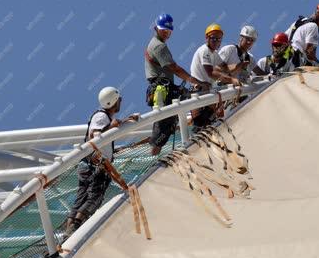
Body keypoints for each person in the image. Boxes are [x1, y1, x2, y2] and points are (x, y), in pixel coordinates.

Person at [64, 86, 139, 238]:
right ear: (114, 102)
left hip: (89, 164)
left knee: (82, 197)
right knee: (94, 196)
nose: (121, 102)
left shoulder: (104, 117)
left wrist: (124, 121)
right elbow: (95, 135)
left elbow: (103, 133)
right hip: (95, 166)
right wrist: (112, 125)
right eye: (119, 100)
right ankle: (75, 228)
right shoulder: (101, 116)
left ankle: (68, 231)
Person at [144, 13, 210, 155]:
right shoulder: (159, 46)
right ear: (156, 28)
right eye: (164, 30)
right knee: (163, 127)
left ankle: (199, 127)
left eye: (169, 31)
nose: (167, 33)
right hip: (163, 89)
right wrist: (194, 80)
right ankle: (153, 159)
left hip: (167, 88)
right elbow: (174, 68)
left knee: (193, 99)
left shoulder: (157, 44)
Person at [190, 23, 241, 129]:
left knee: (210, 121)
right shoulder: (205, 51)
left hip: (206, 89)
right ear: (207, 38)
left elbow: (225, 67)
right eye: (213, 38)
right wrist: (231, 80)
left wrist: (239, 65)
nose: (216, 42)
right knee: (200, 123)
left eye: (219, 39)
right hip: (199, 90)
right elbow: (211, 73)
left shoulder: (214, 53)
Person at [285, 3, 319, 67]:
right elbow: (309, 54)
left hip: (285, 57)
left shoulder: (299, 21)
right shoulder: (313, 26)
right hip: (295, 59)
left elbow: (283, 37)